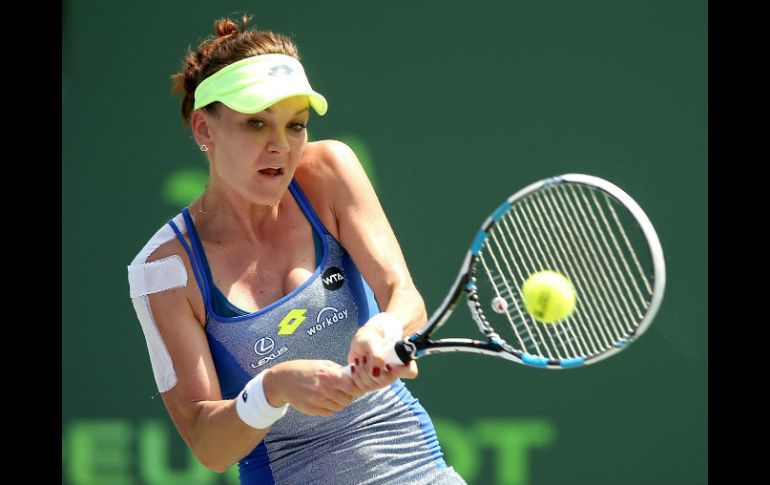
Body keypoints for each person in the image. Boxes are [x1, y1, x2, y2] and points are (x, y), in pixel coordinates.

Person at [127, 15, 467, 485]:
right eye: (256, 123)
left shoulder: (328, 170)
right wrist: (273, 388)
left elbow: (402, 294)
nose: (280, 146)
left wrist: (384, 329)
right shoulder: (164, 269)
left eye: (296, 125)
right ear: (204, 129)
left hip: (419, 471)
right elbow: (207, 444)